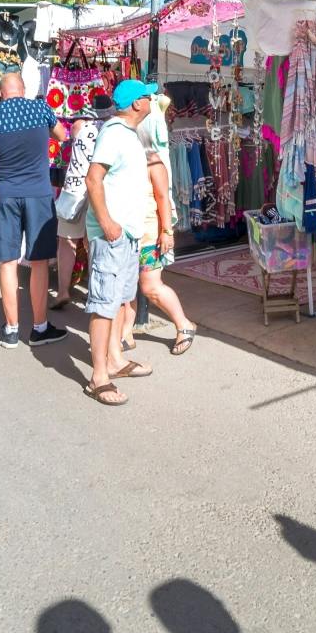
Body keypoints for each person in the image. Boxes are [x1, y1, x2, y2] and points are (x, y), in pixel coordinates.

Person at [0, 73, 69, 349]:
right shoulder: (41, 109)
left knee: (8, 262)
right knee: (38, 262)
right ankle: (39, 328)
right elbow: (61, 136)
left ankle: (11, 330)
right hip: (38, 194)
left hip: (6, 195)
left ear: (0, 93)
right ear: (23, 90)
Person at [81, 80, 161, 406]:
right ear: (136, 104)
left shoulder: (127, 135)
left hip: (125, 233)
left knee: (116, 301)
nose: (152, 99)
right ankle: (98, 376)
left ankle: (114, 359)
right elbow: (93, 178)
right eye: (147, 95)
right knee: (103, 304)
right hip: (112, 233)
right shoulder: (114, 133)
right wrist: (107, 223)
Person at [133, 94, 199, 356]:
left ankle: (183, 324)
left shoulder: (153, 161)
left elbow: (162, 198)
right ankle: (123, 336)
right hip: (129, 231)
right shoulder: (129, 155)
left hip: (149, 231)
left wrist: (166, 231)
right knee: (128, 289)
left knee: (150, 286)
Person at [54, 92, 112, 310]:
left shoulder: (79, 127)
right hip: (100, 189)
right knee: (94, 241)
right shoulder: (111, 130)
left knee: (67, 241)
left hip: (75, 188)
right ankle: (94, 292)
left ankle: (62, 291)